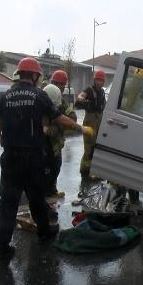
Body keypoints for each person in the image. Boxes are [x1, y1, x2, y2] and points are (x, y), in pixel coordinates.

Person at [0, 57, 92, 258]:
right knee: (36, 198)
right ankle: (44, 233)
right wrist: (79, 127)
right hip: (31, 157)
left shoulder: (6, 97)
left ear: (20, 74)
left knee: (7, 203)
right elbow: (57, 117)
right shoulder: (38, 95)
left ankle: (0, 247)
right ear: (35, 75)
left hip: (10, 157)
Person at [43, 70, 77, 198]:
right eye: (61, 86)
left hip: (55, 143)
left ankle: (52, 191)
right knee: (43, 172)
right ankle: (43, 197)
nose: (62, 89)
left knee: (55, 168)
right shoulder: (42, 96)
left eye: (63, 86)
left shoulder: (61, 101)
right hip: (42, 144)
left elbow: (72, 117)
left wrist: (56, 128)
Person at [75, 69, 106, 177]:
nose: (99, 82)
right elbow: (81, 95)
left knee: (95, 147)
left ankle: (91, 170)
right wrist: (81, 98)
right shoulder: (89, 90)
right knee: (88, 147)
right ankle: (85, 171)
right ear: (94, 80)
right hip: (90, 121)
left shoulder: (102, 92)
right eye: (98, 80)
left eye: (101, 80)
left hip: (99, 120)